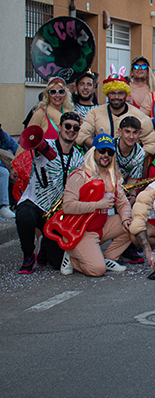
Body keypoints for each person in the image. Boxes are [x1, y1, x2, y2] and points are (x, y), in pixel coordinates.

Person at [14, 115, 84, 273]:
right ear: (59, 127)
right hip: (34, 203)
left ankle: (45, 245)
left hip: (56, 212)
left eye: (75, 128)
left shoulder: (79, 158)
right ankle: (28, 255)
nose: (71, 130)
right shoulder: (47, 146)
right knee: (24, 215)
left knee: (57, 262)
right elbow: (32, 147)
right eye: (67, 126)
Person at [58, 135, 133, 277]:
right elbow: (67, 206)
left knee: (134, 225)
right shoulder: (80, 175)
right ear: (94, 152)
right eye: (102, 151)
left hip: (101, 226)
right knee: (97, 270)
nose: (106, 155)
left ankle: (108, 257)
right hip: (80, 231)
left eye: (110, 152)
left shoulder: (112, 177)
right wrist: (97, 205)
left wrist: (125, 219)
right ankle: (73, 256)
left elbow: (123, 203)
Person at [78, 68, 155, 156]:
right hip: (102, 165)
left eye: (120, 93)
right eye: (112, 93)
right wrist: (100, 147)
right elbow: (82, 134)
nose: (116, 97)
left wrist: (135, 159)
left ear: (126, 94)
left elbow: (151, 143)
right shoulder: (95, 113)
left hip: (129, 167)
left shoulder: (139, 116)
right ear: (107, 93)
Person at [113, 116, 147, 193]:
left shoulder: (140, 153)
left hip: (123, 189)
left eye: (135, 132)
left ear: (139, 133)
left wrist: (131, 195)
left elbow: (132, 181)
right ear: (120, 131)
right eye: (127, 132)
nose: (131, 136)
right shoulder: (110, 147)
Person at [0, 125, 17, 219]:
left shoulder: (2, 135)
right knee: (4, 173)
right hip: (3, 168)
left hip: (5, 166)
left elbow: (16, 147)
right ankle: (3, 207)